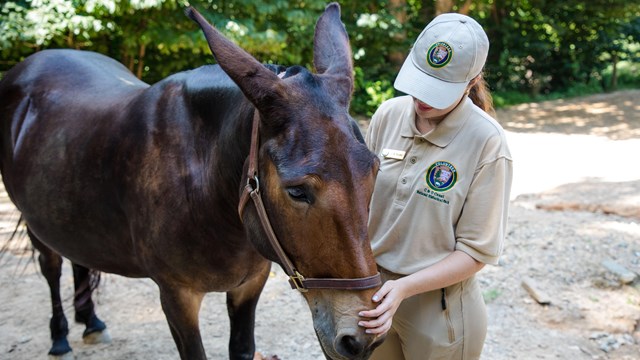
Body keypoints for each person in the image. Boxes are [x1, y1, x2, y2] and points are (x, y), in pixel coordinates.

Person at [358, 12, 513, 360]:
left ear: (471, 81)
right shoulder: (387, 115)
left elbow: (476, 252)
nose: (421, 99)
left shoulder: (487, 142)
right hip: (375, 299)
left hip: (437, 312)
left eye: (437, 90)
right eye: (419, 81)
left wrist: (404, 288)